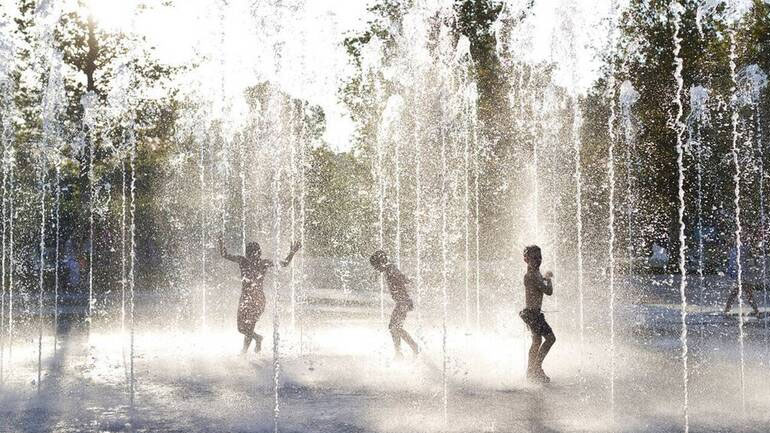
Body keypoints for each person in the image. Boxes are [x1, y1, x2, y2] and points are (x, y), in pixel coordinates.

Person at [219, 235, 301, 354]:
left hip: (257, 299)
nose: (253, 256)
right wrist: (221, 241)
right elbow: (224, 255)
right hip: (245, 298)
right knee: (241, 328)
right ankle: (257, 338)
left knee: (249, 326)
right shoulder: (243, 261)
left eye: (255, 254)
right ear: (248, 254)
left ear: (258, 253)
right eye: (251, 254)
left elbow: (284, 263)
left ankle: (244, 351)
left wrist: (292, 252)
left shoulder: (264, 263)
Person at [369, 250, 419, 358]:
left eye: (376, 266)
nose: (376, 269)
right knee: (394, 328)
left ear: (381, 262)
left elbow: (403, 279)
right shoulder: (389, 269)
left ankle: (411, 348)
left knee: (394, 327)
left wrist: (407, 281)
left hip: (403, 302)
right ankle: (400, 352)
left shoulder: (390, 269)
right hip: (401, 302)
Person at [519, 245, 556, 384]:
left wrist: (544, 277)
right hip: (532, 314)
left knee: (538, 341)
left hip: (533, 313)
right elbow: (548, 291)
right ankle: (535, 368)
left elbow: (541, 286)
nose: (538, 260)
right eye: (534, 258)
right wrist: (548, 279)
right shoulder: (531, 276)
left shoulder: (535, 273)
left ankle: (532, 371)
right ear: (526, 259)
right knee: (548, 339)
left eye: (540, 257)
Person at [724, 244, 760, 316]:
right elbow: (752, 257)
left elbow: (732, 264)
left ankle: (727, 310)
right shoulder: (743, 249)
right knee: (747, 293)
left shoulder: (734, 249)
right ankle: (756, 311)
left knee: (736, 293)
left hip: (739, 274)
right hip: (741, 275)